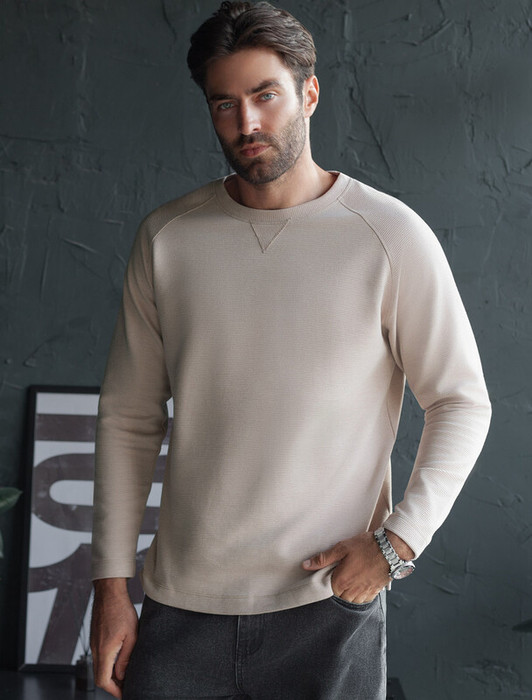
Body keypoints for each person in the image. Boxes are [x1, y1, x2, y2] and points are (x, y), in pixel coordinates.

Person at [90, 2, 491, 698]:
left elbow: (461, 401)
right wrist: (110, 588)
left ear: (309, 93)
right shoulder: (168, 238)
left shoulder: (389, 236)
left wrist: (398, 545)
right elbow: (128, 417)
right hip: (179, 609)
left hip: (326, 606)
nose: (246, 122)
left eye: (265, 95)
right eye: (224, 104)